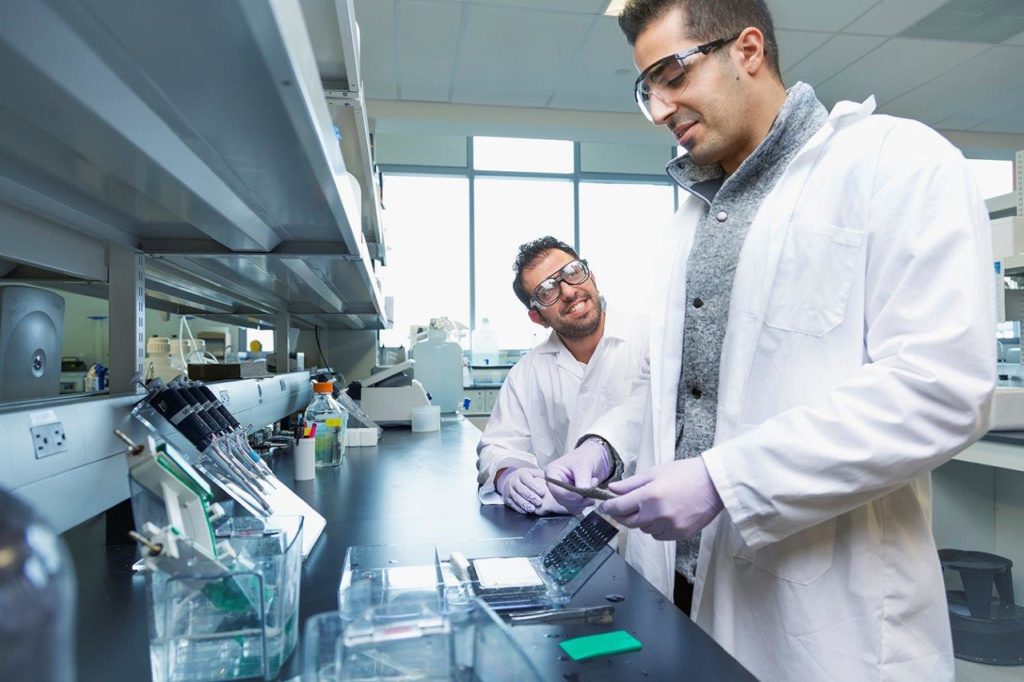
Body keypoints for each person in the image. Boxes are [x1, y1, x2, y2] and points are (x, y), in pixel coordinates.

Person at [544, 0, 995, 679]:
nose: (661, 109)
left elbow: (940, 388)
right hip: (684, 592)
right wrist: (603, 446)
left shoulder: (896, 163)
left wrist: (726, 481)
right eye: (646, 91)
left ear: (747, 51)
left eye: (671, 75)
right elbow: (675, 389)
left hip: (829, 620)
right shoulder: (687, 224)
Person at [476, 236, 648, 516]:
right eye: (547, 291)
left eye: (572, 273)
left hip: (652, 530)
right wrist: (507, 474)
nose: (568, 292)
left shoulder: (651, 338)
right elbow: (495, 445)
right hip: (568, 527)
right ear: (538, 318)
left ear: (592, 276)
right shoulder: (527, 373)